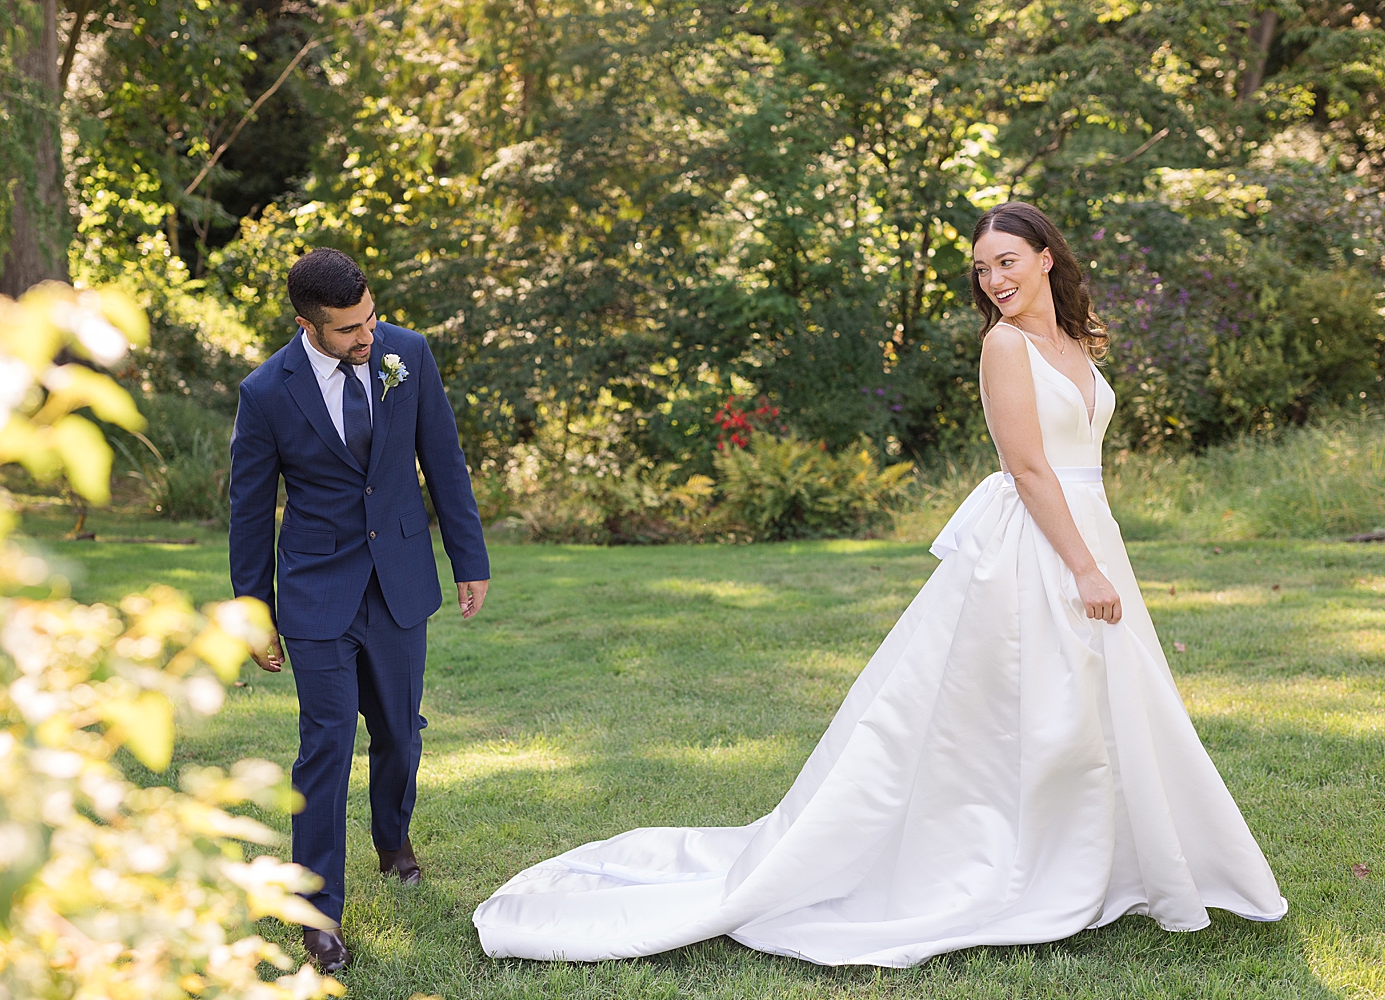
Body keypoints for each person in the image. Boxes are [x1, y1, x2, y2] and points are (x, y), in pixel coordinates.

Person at [472, 202, 1286, 967]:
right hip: (1036, 545)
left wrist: (1097, 551)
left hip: (1087, 529)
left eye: (1006, 261)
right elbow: (1028, 468)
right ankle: (1010, 860)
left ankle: (1101, 861)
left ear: (1046, 258)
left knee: (1102, 704)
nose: (993, 279)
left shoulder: (1075, 342)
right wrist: (1082, 564)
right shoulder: (1003, 346)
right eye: (979, 268)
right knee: (1021, 709)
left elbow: (1076, 461)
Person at [228, 247, 491, 973]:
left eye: (369, 318)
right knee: (325, 746)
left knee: (401, 735)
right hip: (317, 590)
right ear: (308, 324)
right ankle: (317, 913)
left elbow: (444, 458)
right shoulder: (266, 393)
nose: (367, 338)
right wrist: (256, 612)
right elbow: (249, 513)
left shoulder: (409, 353)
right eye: (349, 330)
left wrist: (469, 560)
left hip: (400, 578)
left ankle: (392, 840)